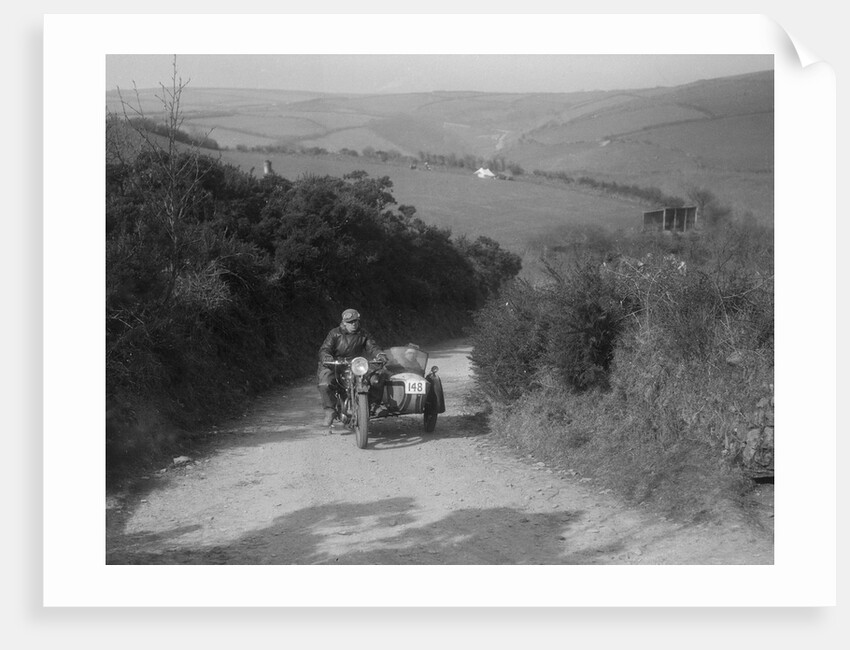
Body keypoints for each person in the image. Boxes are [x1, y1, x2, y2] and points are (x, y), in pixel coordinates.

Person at [317, 308, 386, 429]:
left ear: (358, 321)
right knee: (325, 384)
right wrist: (327, 357)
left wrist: (379, 354)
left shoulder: (363, 334)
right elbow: (325, 349)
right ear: (344, 323)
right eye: (350, 322)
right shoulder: (335, 333)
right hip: (336, 365)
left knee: (376, 378)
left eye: (355, 321)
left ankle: (373, 405)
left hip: (357, 364)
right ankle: (329, 411)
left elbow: (372, 347)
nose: (353, 324)